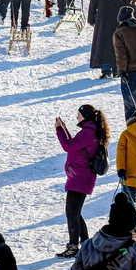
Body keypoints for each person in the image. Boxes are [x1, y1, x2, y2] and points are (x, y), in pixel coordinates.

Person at [54, 105, 110, 258]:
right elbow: (75, 146)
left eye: (78, 114)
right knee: (75, 213)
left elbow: (68, 146)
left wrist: (59, 130)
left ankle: (74, 246)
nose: (77, 117)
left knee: (72, 212)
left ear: (85, 116)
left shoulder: (88, 132)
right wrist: (64, 129)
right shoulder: (90, 131)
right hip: (80, 176)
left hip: (81, 177)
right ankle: (85, 244)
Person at [88, 0, 134, 78]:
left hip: (103, 19)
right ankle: (117, 69)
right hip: (121, 20)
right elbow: (131, 4)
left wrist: (91, 17)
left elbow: (93, 1)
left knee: (104, 44)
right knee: (119, 44)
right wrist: (133, 20)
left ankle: (106, 69)